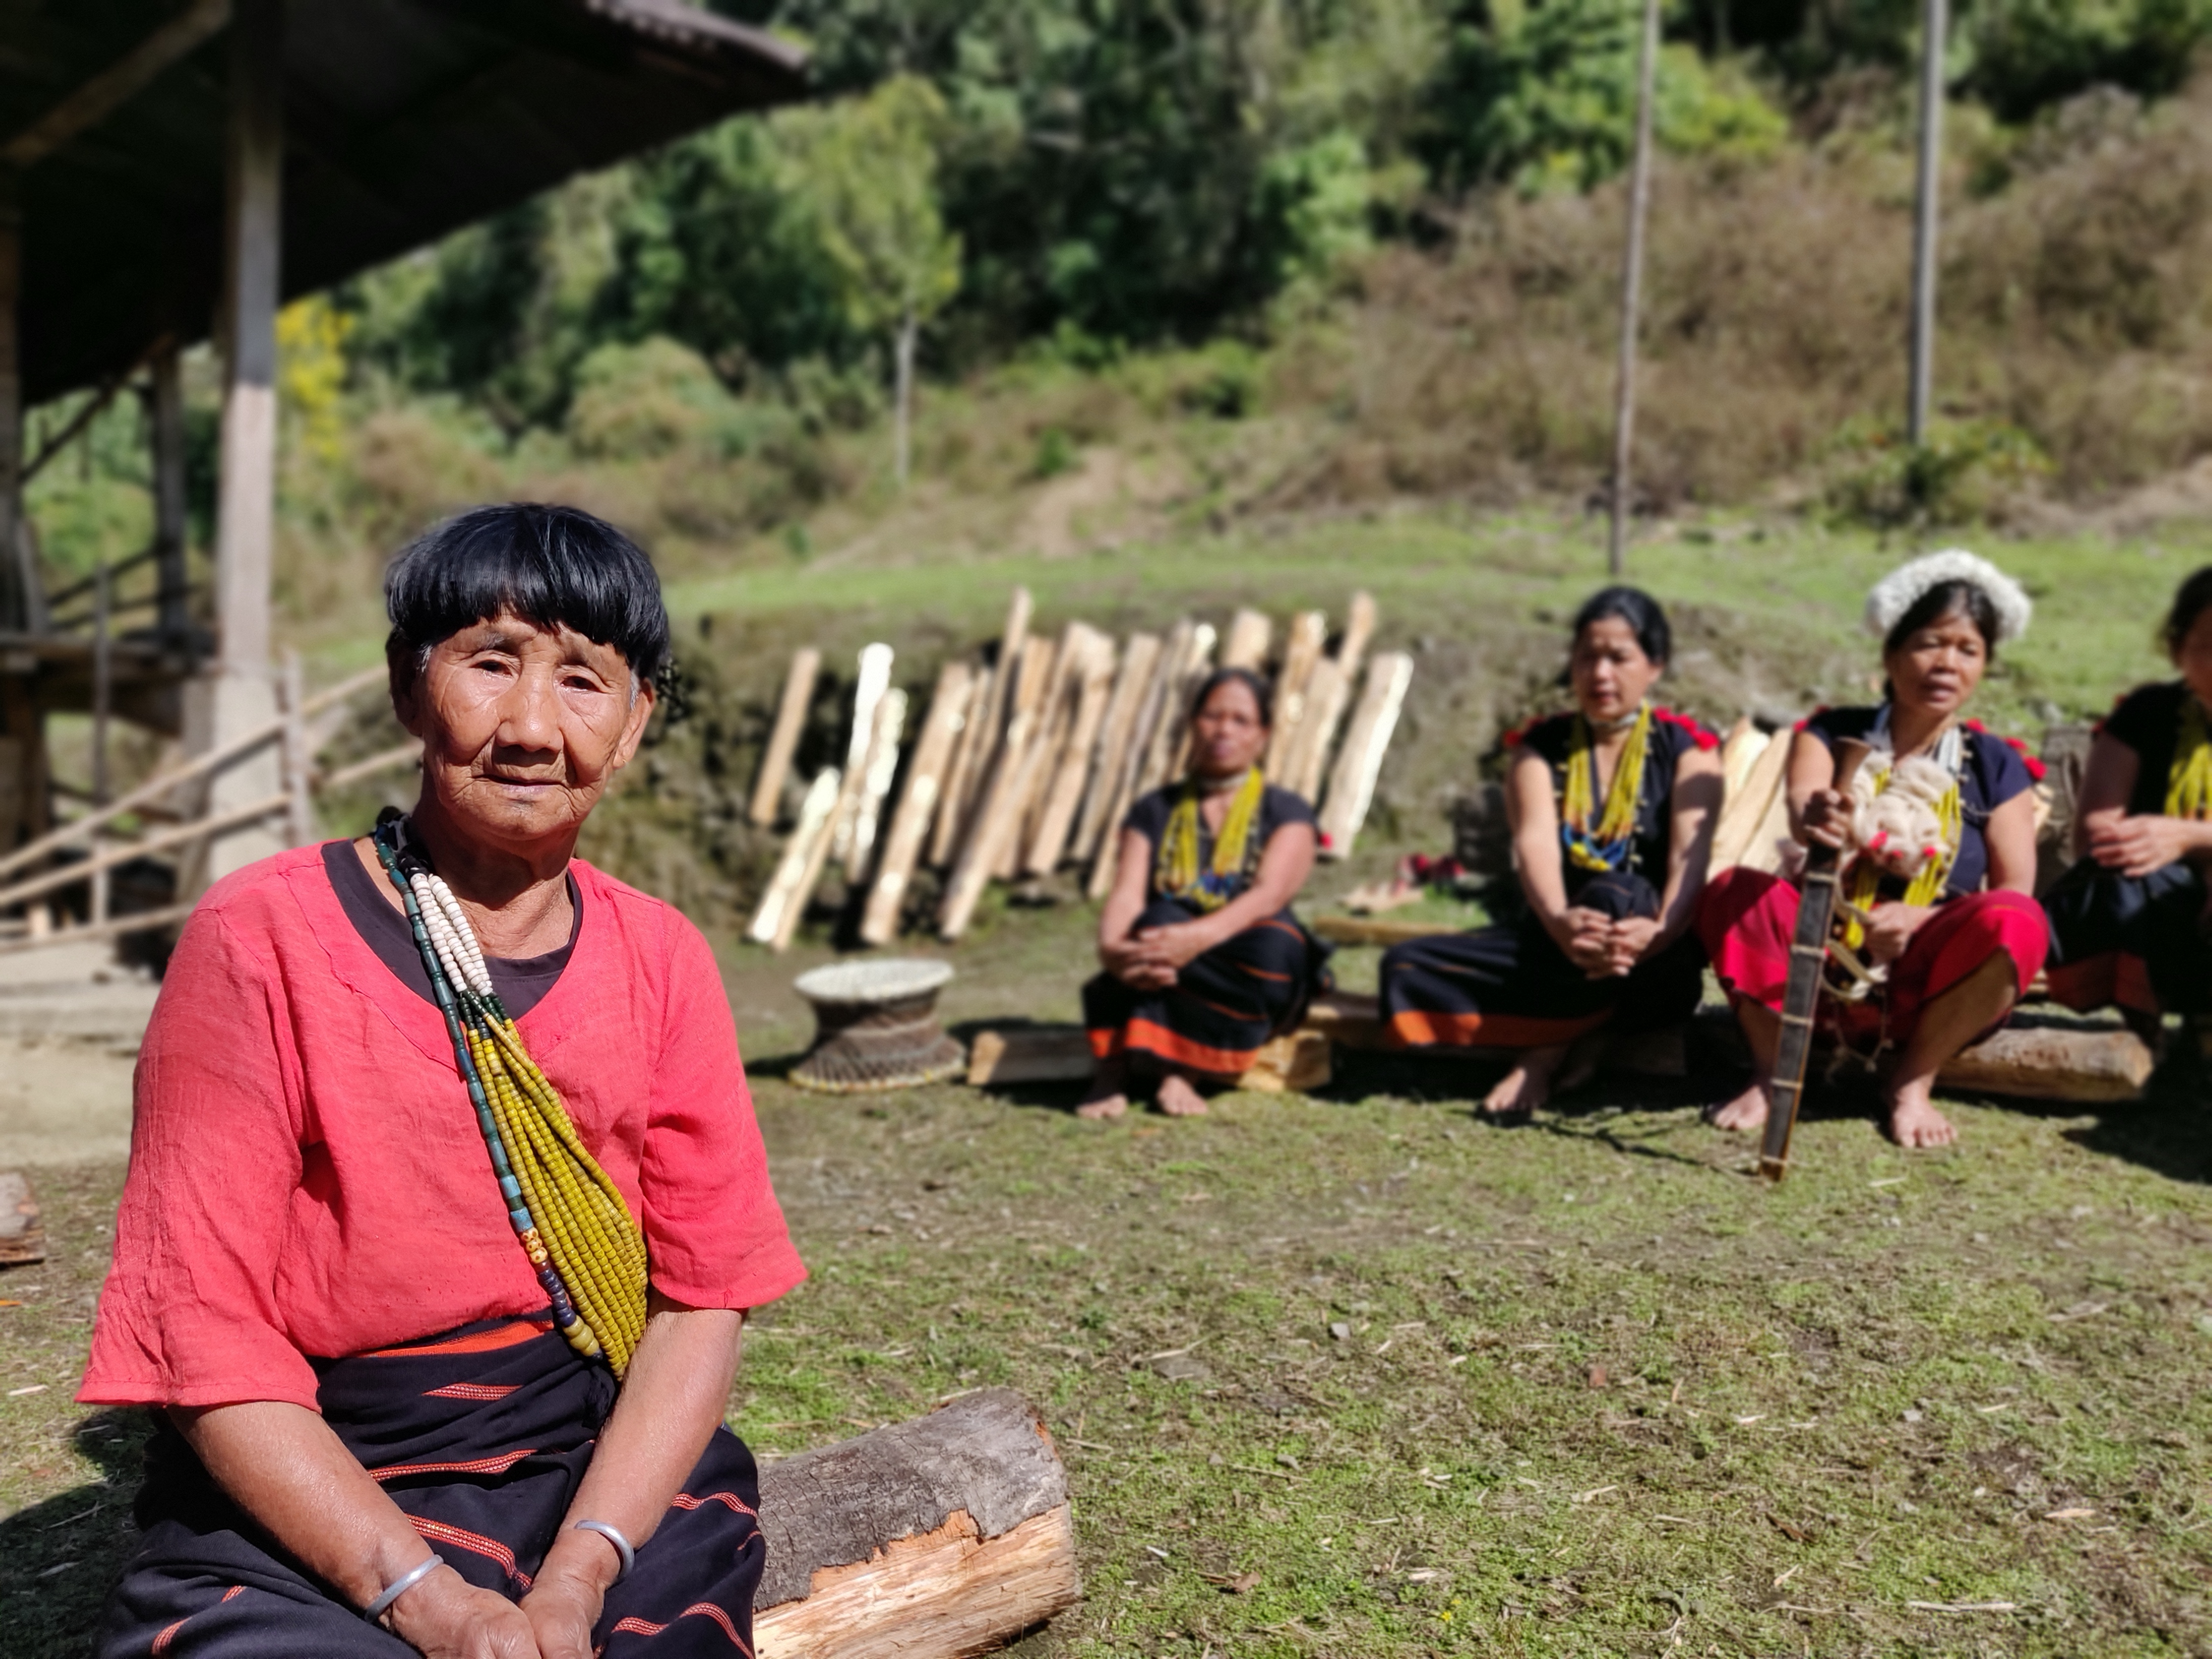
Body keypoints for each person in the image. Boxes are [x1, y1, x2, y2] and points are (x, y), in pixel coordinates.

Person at [80, 504, 805, 1658]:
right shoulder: (258, 939)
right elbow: (201, 1324)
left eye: (582, 679)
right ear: (407, 688)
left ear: (632, 726)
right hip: (318, 1470)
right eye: (489, 661)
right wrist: (426, 1596)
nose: (529, 725)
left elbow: (696, 1298)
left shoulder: (661, 958)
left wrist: (576, 1576)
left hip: (581, 1455)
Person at [1699, 550, 2049, 1150]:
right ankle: (1773, 1070)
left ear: (1983, 666)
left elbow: (2014, 885)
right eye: (1928, 643)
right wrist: (1824, 816)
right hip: (1820, 953)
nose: (1945, 663)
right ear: (1890, 654)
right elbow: (1805, 808)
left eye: (1966, 650)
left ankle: (1911, 1083)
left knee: (2018, 919)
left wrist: (1922, 920)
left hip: (1927, 973)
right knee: (1735, 891)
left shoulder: (1997, 765)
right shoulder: (1833, 732)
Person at [1376, 587, 1722, 1119]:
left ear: (1654, 665)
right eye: (1587, 655)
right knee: (1404, 966)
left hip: (1653, 958)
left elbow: (1687, 861)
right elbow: (1533, 842)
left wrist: (1659, 932)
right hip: (1557, 945)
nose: (1600, 673)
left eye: (1618, 657)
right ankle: (1593, 1029)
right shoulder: (1540, 748)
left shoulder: (1688, 751)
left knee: (1620, 890)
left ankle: (1542, 1053)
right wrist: (1561, 921)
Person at [1081, 667, 1321, 1118]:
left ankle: (1182, 1068)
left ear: (1263, 735)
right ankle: (1115, 1072)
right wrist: (1113, 952)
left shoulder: (1287, 810)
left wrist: (1197, 939)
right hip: (1164, 954)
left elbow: (1270, 894)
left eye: (1241, 720)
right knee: (1153, 925)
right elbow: (1127, 895)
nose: (1224, 729)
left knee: (1277, 944)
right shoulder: (1156, 810)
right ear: (1192, 724)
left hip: (1246, 954)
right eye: (1212, 716)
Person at [2042, 565, 2212, 1043]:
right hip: (2161, 895)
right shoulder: (2149, 713)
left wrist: (2189, 837)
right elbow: (2098, 831)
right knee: (2126, 880)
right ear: (2179, 648)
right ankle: (2144, 1029)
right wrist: (2178, 856)